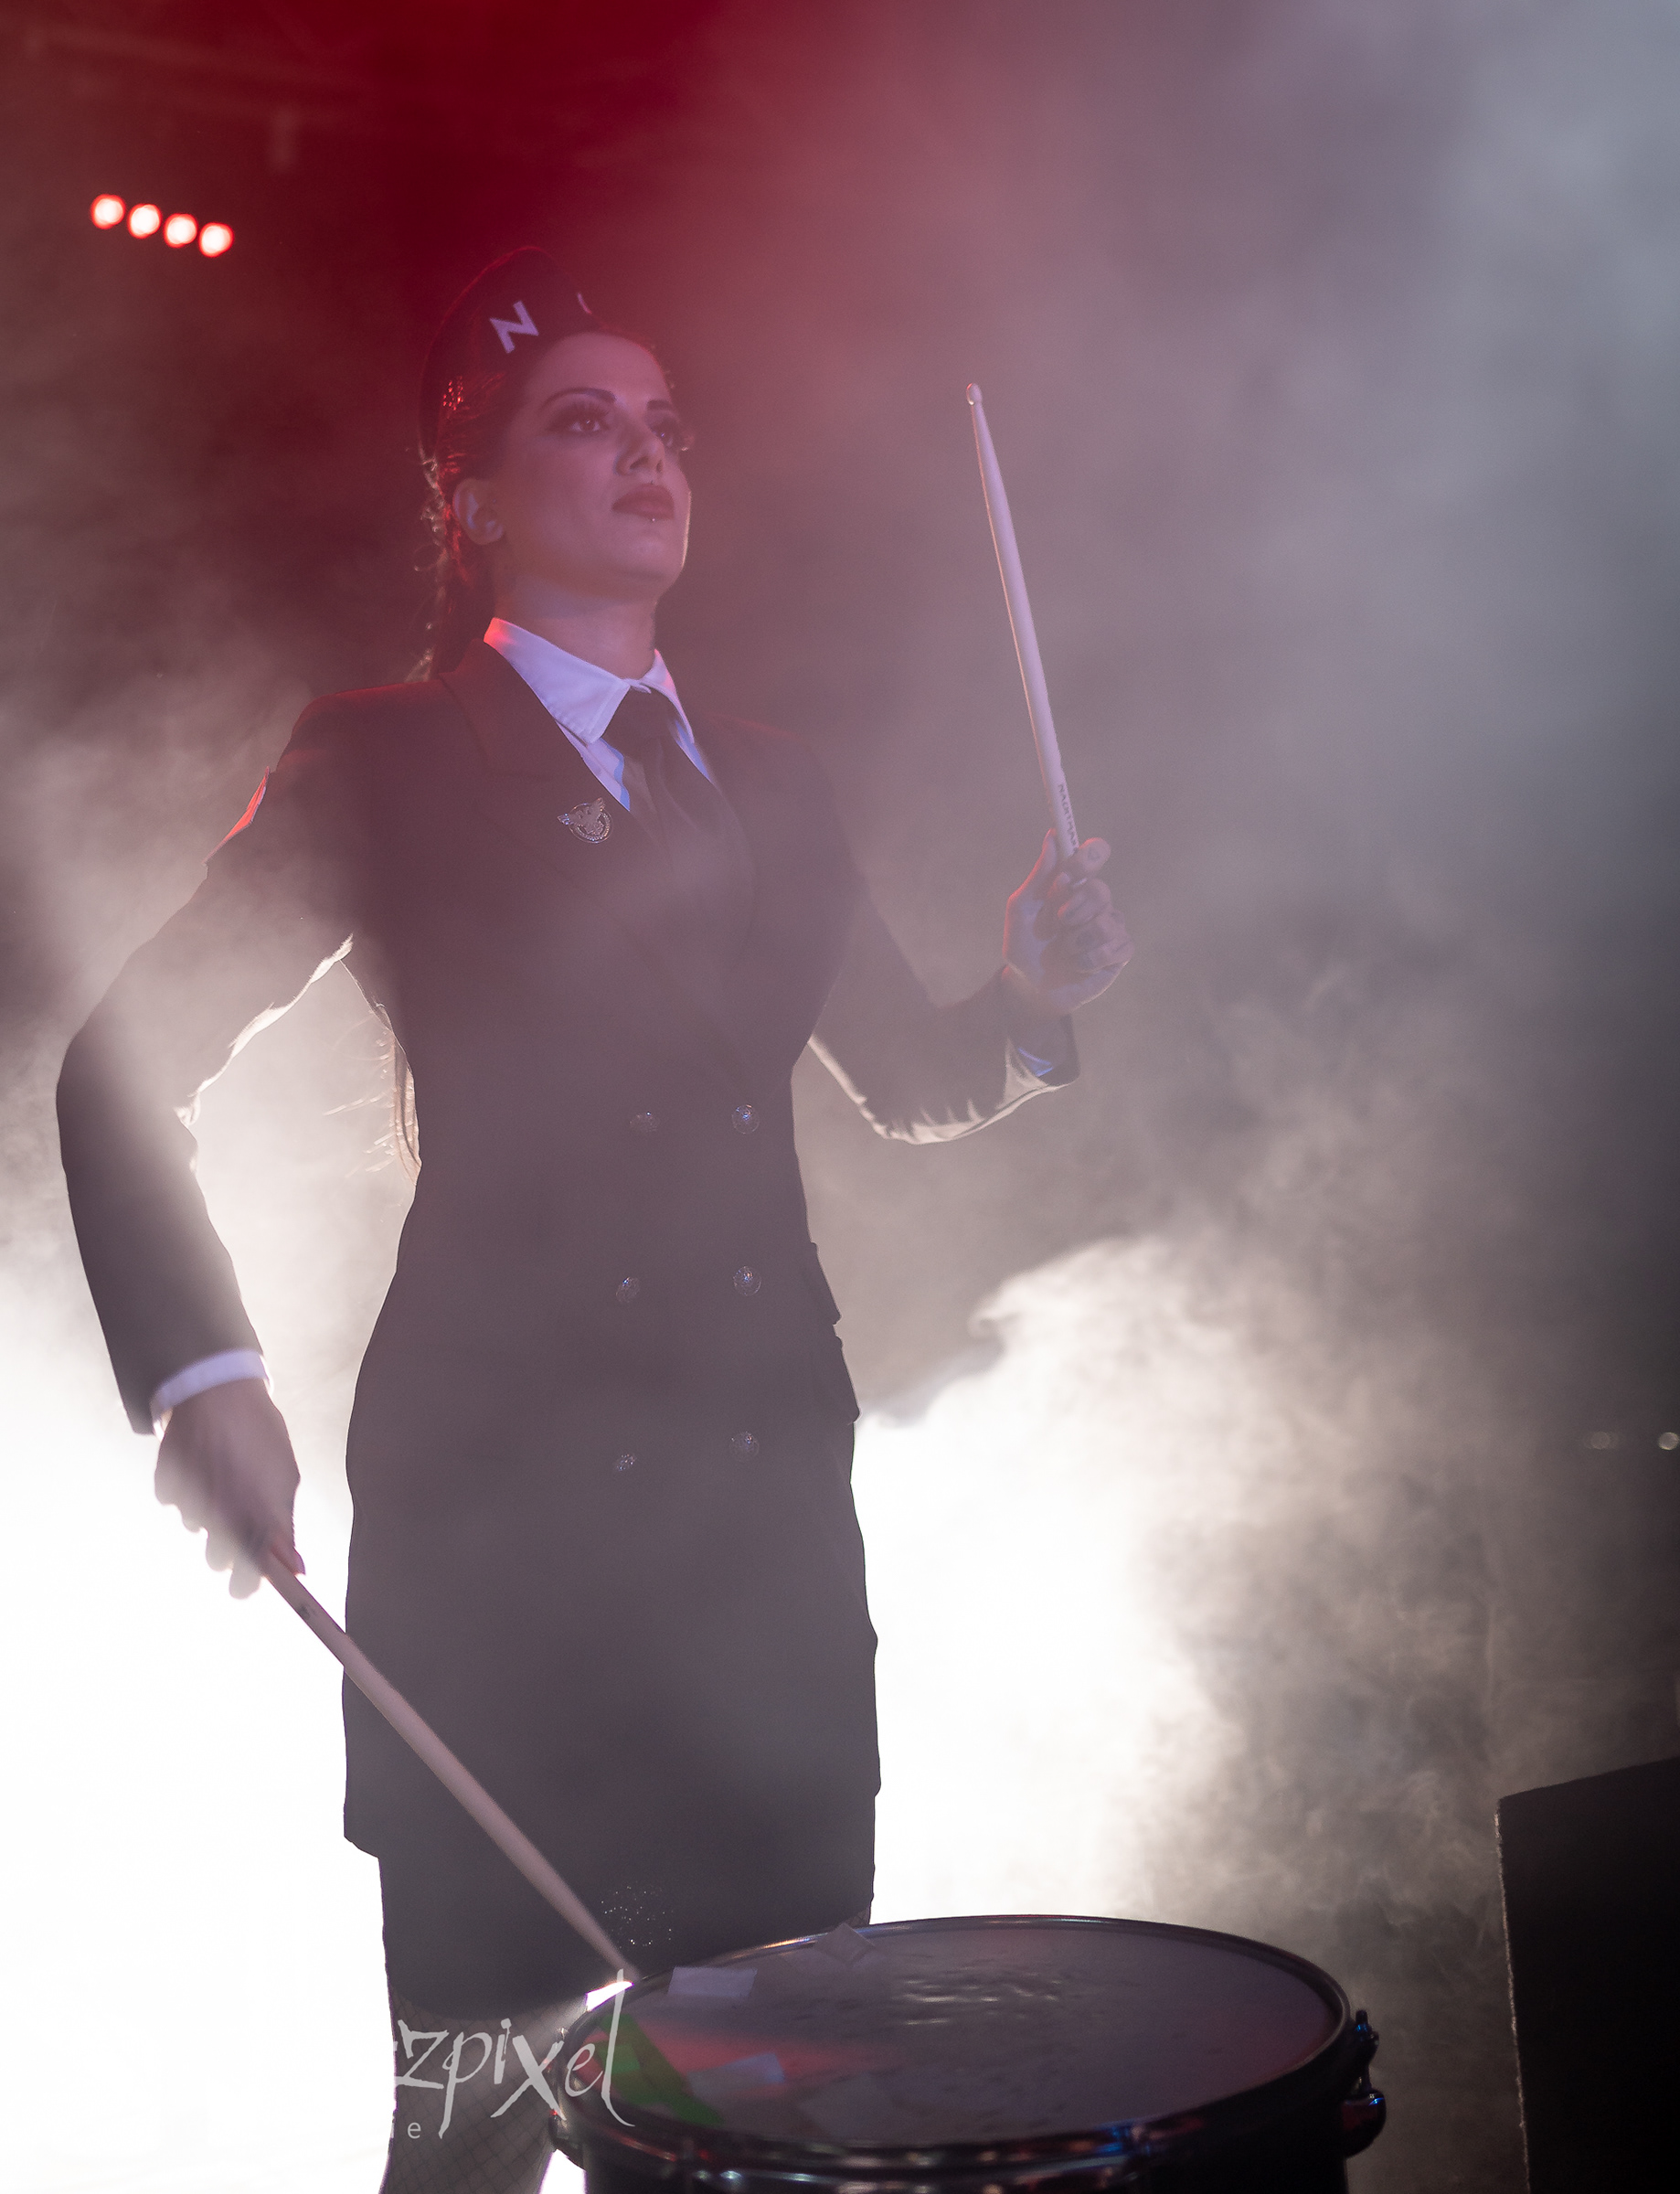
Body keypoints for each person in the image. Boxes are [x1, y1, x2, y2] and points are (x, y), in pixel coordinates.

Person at [57, 250, 1132, 2193]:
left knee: (771, 2136)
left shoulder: (781, 787)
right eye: (585, 422)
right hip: (509, 1554)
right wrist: (204, 1376)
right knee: (478, 2138)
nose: (646, 455)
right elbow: (119, 1063)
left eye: (664, 427)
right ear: (471, 502)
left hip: (764, 1555)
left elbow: (912, 1079)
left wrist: (1031, 1003)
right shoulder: (384, 755)